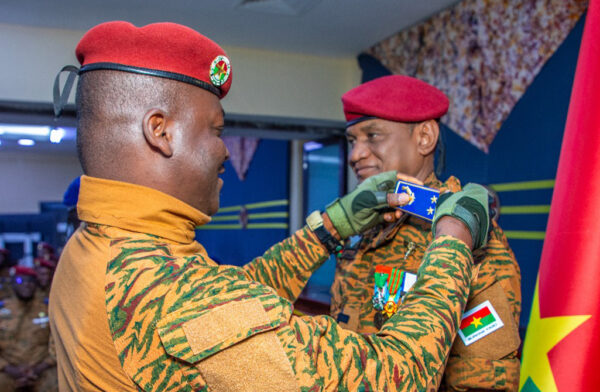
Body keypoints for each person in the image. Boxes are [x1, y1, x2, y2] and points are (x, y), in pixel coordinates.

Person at [50, 21, 491, 391]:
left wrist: (328, 229)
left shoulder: (93, 246)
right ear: (159, 131)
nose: (224, 151)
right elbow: (399, 376)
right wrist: (454, 239)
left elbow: (239, 293)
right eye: (216, 131)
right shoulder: (168, 290)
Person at [332, 75, 522, 391]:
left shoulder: (467, 239)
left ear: (425, 137)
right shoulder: (366, 230)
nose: (355, 155)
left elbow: (483, 383)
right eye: (353, 141)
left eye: (373, 136)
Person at [0, 266, 55, 391]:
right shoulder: (2, 310)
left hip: (42, 368)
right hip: (8, 370)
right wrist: (8, 368)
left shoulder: (48, 309)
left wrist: (41, 367)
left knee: (57, 383)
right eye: (21, 281)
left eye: (31, 281)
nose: (26, 285)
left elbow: (57, 343)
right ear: (13, 284)